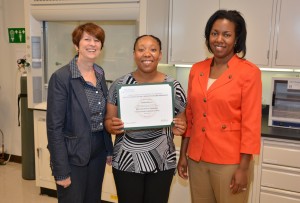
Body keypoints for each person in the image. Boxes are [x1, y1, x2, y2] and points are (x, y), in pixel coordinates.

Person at [177, 10, 262, 203]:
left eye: (227, 34)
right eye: (214, 33)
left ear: (237, 38)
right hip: (197, 159)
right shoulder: (197, 69)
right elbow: (190, 116)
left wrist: (243, 167)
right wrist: (183, 155)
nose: (219, 39)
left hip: (230, 161)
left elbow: (251, 123)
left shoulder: (249, 72)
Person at [104, 35, 187, 203]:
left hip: (162, 161)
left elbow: (182, 123)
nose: (147, 54)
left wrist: (180, 127)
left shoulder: (173, 86)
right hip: (127, 161)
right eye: (141, 49)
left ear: (160, 55)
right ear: (134, 54)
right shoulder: (120, 85)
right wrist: (111, 126)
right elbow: (107, 121)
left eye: (153, 49)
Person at [46, 22, 113, 203]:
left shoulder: (99, 73)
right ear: (77, 45)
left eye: (97, 40)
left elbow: (101, 116)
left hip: (97, 153)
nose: (92, 44)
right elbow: (54, 128)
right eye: (87, 39)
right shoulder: (61, 77)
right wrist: (60, 169)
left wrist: (108, 149)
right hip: (72, 155)